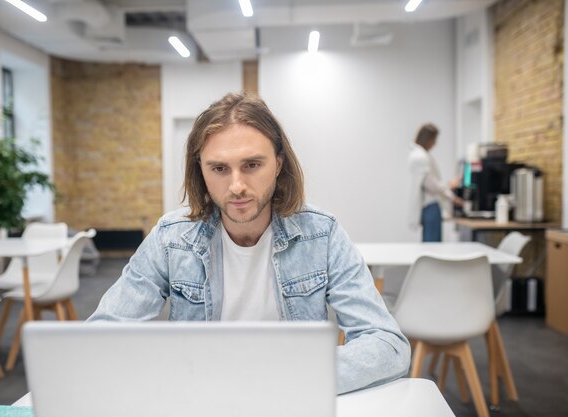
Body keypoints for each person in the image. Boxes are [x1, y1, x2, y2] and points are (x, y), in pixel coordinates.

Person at [88, 92, 410, 394]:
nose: (237, 186)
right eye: (219, 169)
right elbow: (100, 338)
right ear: (200, 170)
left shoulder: (321, 235)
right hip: (202, 399)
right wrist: (175, 372)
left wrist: (289, 377)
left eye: (252, 165)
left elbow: (387, 345)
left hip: (289, 399)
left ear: (279, 164)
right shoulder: (171, 238)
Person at [407, 123, 463, 242]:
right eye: (434, 139)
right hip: (430, 206)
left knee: (430, 243)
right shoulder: (420, 157)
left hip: (428, 206)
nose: (435, 143)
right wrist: (451, 194)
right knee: (432, 245)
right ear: (428, 138)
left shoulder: (419, 155)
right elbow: (431, 185)